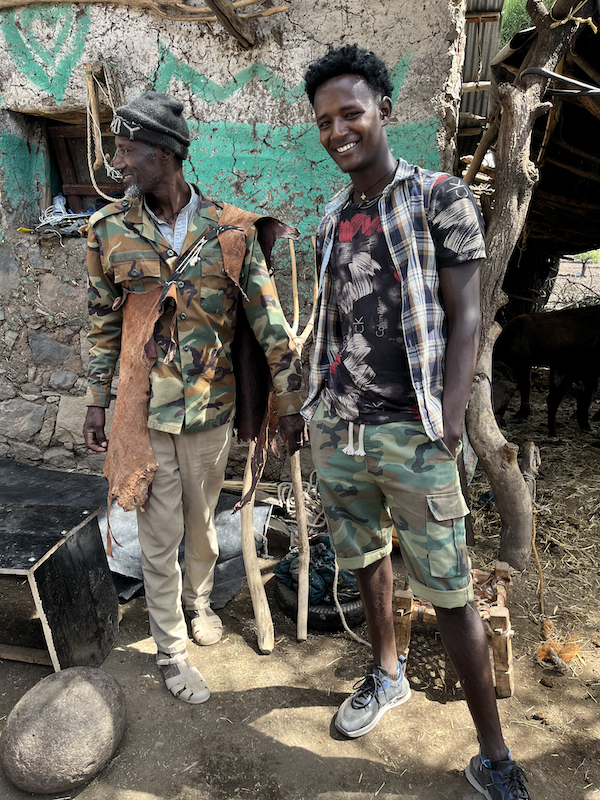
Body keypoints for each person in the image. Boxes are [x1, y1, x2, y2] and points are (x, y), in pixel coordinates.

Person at [300, 45, 531, 800]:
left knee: (451, 590)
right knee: (364, 558)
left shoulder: (441, 198)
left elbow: (467, 318)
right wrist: (317, 414)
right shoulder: (332, 215)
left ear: (385, 112)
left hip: (416, 431)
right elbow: (332, 325)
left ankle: (492, 755)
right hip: (342, 430)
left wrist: (453, 424)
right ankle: (386, 674)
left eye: (352, 113)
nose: (338, 130)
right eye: (326, 120)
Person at [83, 91, 305, 705]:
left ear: (168, 153)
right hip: (143, 413)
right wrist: (96, 401)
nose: (120, 164)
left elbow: (268, 321)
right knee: (157, 536)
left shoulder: (231, 232)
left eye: (129, 151)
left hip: (211, 411)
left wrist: (289, 405)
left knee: (203, 526)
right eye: (118, 150)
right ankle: (172, 649)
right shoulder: (109, 233)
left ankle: (198, 599)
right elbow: (103, 323)